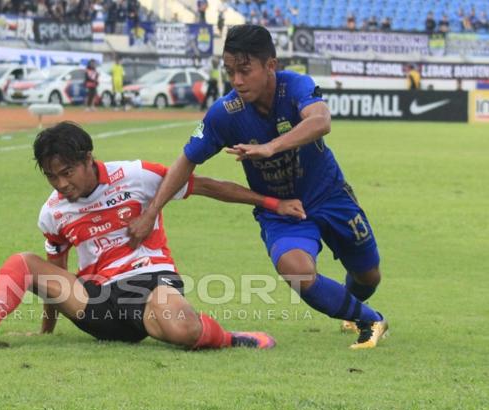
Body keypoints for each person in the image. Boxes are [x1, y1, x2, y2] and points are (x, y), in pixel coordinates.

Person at [0, 121, 308, 348]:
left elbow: (205, 185)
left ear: (89, 158)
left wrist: (272, 204)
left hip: (150, 287)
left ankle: (229, 338)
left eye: (67, 172)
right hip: (94, 303)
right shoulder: (52, 210)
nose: (61, 184)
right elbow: (56, 269)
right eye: (52, 176)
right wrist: (48, 327)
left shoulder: (137, 175)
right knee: (25, 262)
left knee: (182, 328)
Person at [127, 25, 389, 350]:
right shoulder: (225, 113)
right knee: (297, 271)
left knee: (369, 276)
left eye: (244, 71)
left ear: (270, 65)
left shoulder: (295, 86)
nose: (236, 81)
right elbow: (185, 161)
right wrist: (152, 212)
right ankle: (371, 319)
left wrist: (271, 147)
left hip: (330, 195)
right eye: (230, 72)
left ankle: (352, 307)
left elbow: (321, 121)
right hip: (280, 210)